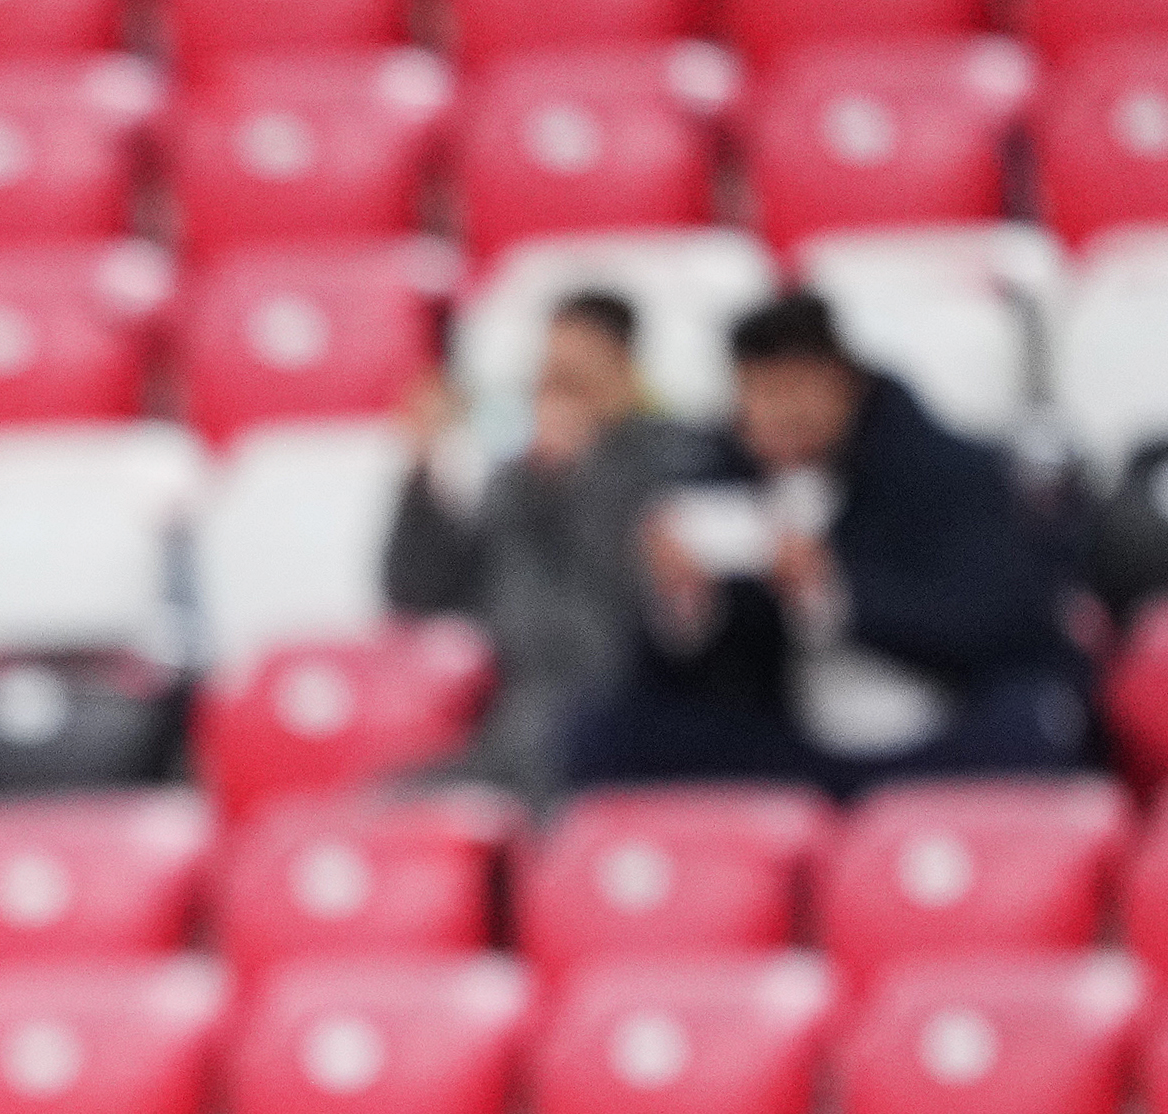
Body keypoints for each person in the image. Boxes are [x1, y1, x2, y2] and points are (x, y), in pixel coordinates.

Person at [569, 290, 1093, 799]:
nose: (773, 416)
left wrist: (831, 592)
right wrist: (684, 601)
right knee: (606, 733)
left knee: (1033, 723)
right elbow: (687, 671)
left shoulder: (953, 472)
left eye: (790, 393)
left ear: (842, 383)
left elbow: (999, 623)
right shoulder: (719, 479)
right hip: (789, 747)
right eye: (757, 395)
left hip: (937, 735)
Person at [384, 289, 705, 802]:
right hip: (518, 730)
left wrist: (589, 464)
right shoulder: (517, 480)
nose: (555, 396)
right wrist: (423, 471)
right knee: (385, 813)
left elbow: (642, 606)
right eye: (548, 378)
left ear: (623, 370)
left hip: (635, 727)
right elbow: (415, 593)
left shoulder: (677, 456)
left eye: (575, 380)